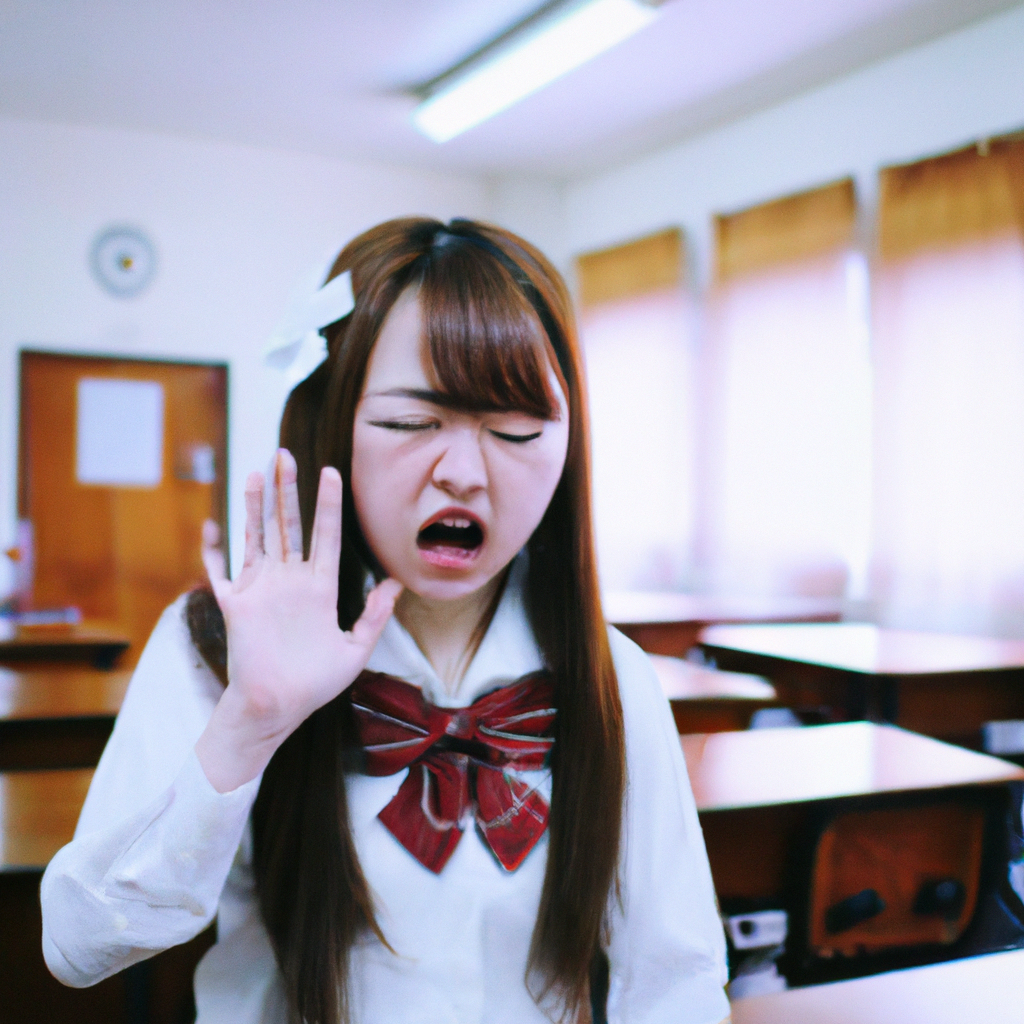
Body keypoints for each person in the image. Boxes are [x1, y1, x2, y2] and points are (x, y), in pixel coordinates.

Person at [40, 218, 729, 1024]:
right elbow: (79, 946)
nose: (464, 474)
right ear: (332, 423)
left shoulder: (612, 681)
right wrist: (248, 726)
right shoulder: (214, 648)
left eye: (516, 430)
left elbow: (675, 984)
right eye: (410, 423)